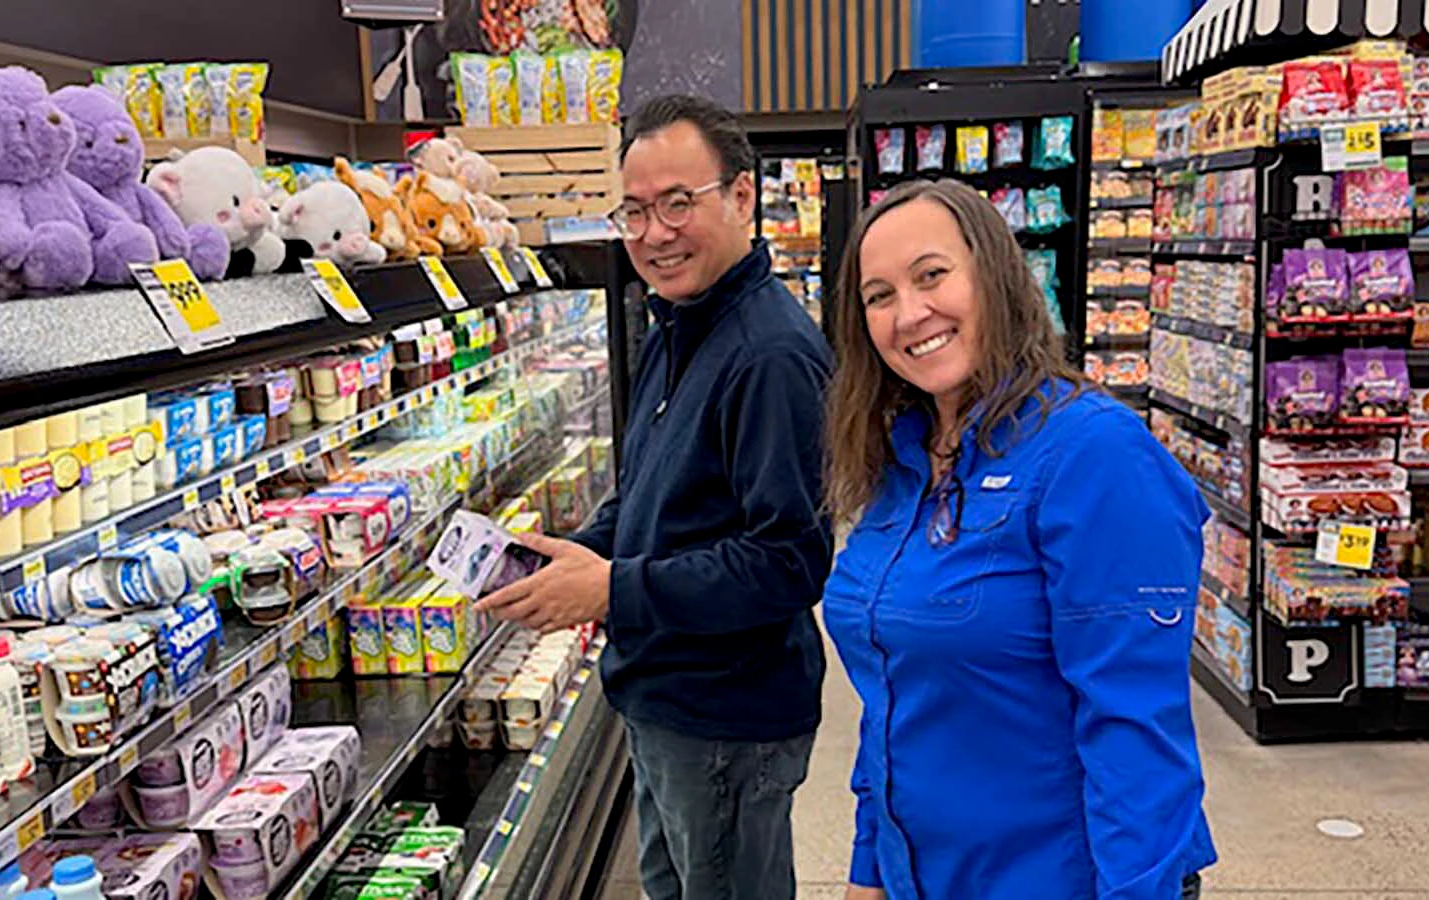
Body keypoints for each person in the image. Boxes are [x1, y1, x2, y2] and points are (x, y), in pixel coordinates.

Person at [476, 93, 833, 900]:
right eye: (634, 211)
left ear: (742, 196)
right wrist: (581, 551)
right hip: (663, 695)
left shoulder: (770, 356)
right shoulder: (679, 324)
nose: (654, 233)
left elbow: (789, 562)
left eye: (678, 203)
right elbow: (656, 494)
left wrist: (610, 587)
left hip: (725, 716)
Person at [822, 178, 1216, 900]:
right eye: (879, 296)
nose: (910, 314)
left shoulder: (1094, 456)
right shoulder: (902, 459)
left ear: (996, 277)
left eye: (932, 276)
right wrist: (870, 867)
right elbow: (893, 697)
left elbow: (1136, 731)